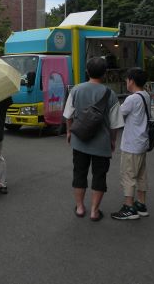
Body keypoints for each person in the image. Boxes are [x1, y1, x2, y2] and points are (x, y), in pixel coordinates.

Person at [63, 57, 124, 221]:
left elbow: (68, 115)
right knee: (99, 176)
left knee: (79, 173)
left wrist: (69, 132)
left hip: (79, 140)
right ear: (105, 73)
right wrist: (112, 141)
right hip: (101, 143)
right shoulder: (110, 94)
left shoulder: (76, 90)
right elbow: (115, 124)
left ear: (87, 71)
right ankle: (94, 211)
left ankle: (81, 207)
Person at [111, 68, 151, 220]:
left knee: (128, 175)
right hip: (142, 142)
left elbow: (118, 115)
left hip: (132, 144)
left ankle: (129, 208)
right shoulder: (145, 95)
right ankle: (141, 204)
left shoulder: (132, 99)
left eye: (127, 80)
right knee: (141, 175)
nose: (126, 82)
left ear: (131, 81)